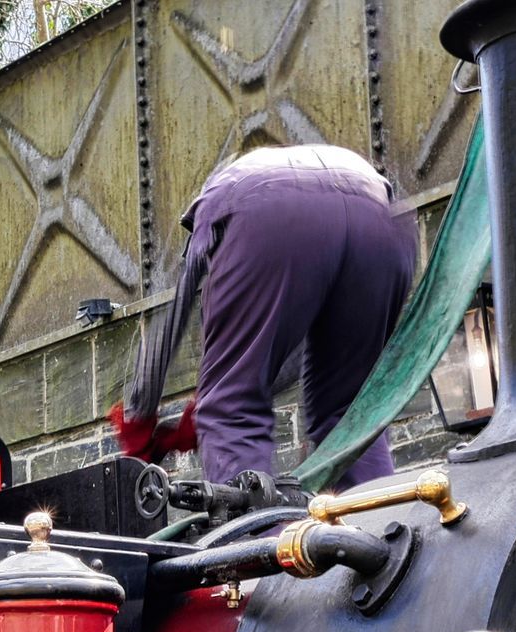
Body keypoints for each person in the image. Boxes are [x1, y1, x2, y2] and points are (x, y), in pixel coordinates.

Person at [114, 144, 416, 490]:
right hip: (382, 215)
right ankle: (382, 514)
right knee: (349, 411)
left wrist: (139, 417)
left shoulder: (219, 203)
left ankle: (255, 524)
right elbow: (294, 339)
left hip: (266, 210)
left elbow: (175, 312)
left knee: (231, 410)